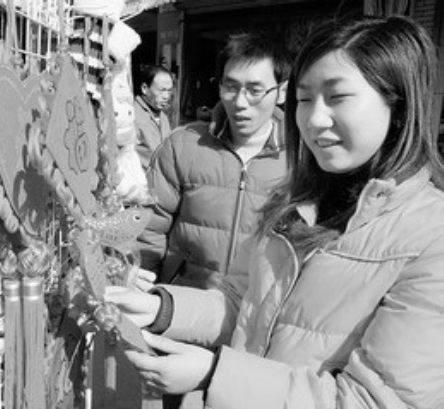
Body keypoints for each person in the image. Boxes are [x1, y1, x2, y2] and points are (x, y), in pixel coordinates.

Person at [107, 15, 444, 409]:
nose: (314, 119)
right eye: (305, 99)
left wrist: (215, 375)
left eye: (337, 97)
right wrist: (162, 308)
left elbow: (378, 401)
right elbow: (243, 301)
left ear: (398, 105)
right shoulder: (295, 203)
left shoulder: (431, 236)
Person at [137, 32, 291, 290]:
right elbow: (149, 224)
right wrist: (143, 283)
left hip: (257, 306)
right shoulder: (184, 145)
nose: (240, 102)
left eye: (255, 90)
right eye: (230, 87)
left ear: (282, 92)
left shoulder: (300, 159)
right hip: (182, 301)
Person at [134, 65, 174, 170]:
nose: (166, 96)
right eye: (161, 90)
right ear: (145, 88)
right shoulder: (132, 115)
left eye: (169, 90)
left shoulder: (163, 117)